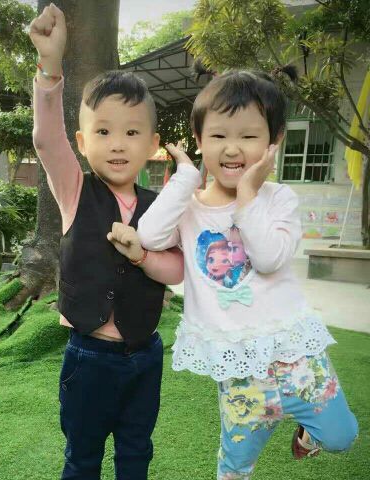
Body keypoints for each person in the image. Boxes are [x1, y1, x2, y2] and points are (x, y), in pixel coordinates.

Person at [137, 68, 358, 479]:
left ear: (274, 142)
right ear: (199, 139)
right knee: (235, 467)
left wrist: (246, 197)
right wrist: (186, 178)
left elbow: (270, 258)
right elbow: (148, 236)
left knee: (341, 437)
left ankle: (306, 434)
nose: (232, 148)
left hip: (297, 357)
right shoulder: (189, 208)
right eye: (219, 135)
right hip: (241, 371)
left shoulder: (280, 199)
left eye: (249, 136)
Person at [29, 4, 184, 480]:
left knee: (136, 453)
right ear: (82, 141)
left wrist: (143, 256)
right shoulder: (75, 191)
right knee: (82, 457)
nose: (117, 143)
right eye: (103, 131)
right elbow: (45, 140)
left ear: (152, 144)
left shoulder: (164, 205)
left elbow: (177, 268)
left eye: (132, 132)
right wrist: (50, 66)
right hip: (89, 356)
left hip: (145, 355)